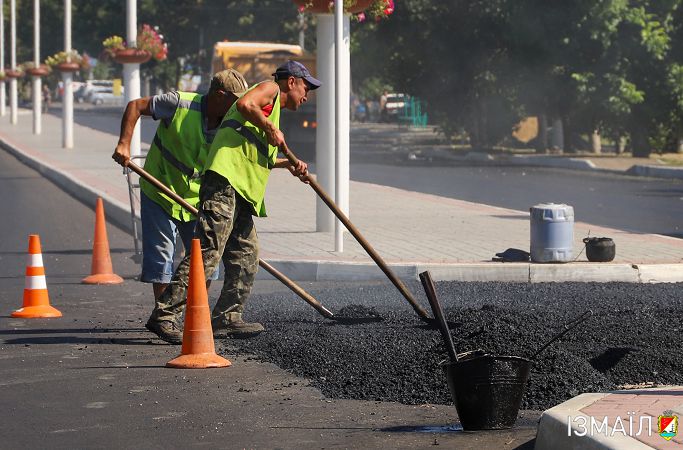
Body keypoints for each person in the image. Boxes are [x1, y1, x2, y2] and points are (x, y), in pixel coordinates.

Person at [146, 60, 320, 343]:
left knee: (246, 255)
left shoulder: (273, 111)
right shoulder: (270, 89)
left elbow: (253, 150)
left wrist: (289, 163)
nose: (307, 95)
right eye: (306, 87)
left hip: (240, 191)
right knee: (207, 251)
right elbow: (244, 105)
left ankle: (227, 317)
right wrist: (268, 127)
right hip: (224, 183)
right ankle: (164, 315)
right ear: (291, 82)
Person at [111, 69, 249, 334]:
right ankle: (165, 318)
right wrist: (124, 144)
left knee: (204, 256)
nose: (240, 106)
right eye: (235, 99)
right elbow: (135, 106)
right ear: (219, 95)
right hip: (160, 190)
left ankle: (196, 316)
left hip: (198, 196)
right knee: (162, 254)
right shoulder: (179, 103)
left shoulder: (231, 121)